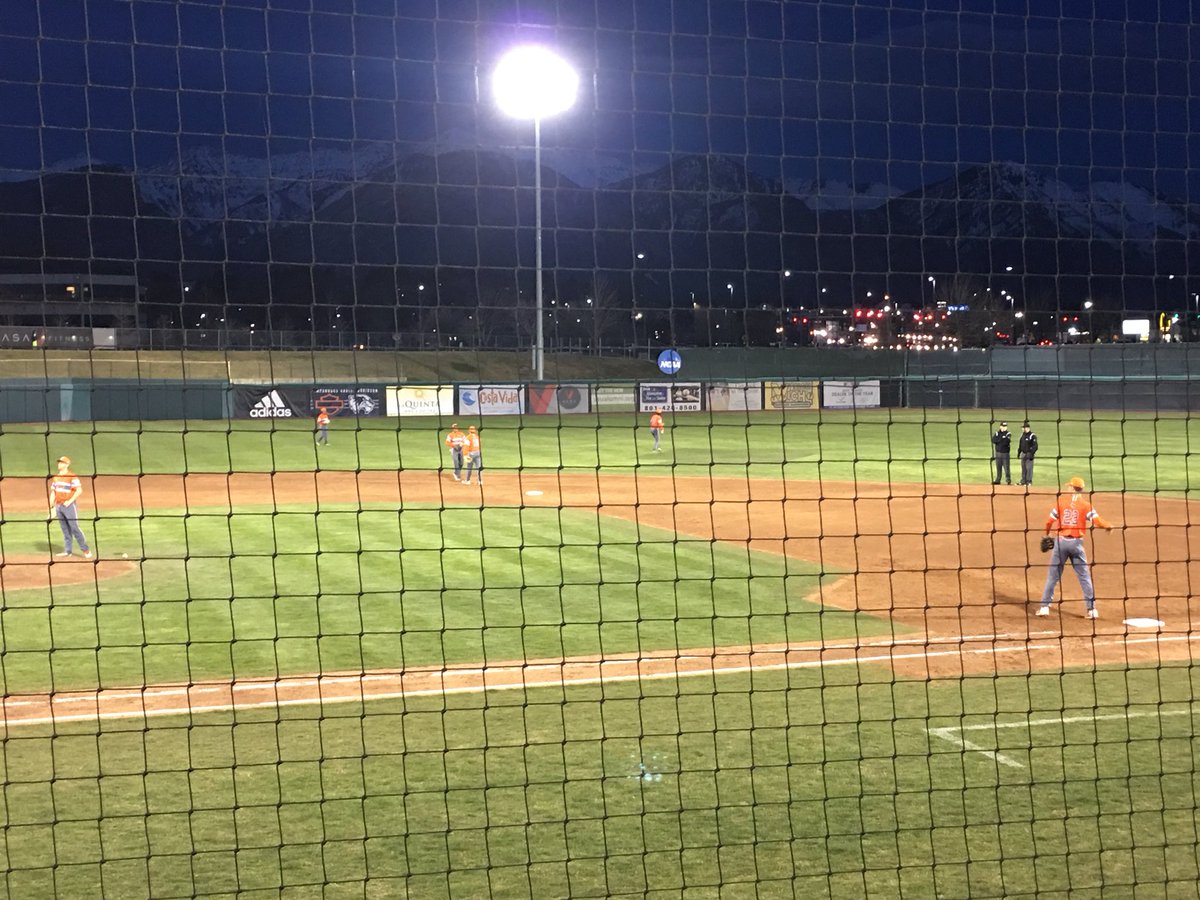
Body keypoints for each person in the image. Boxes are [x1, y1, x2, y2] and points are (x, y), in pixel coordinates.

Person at [1036, 476, 1114, 619]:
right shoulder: (1086, 505)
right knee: (1084, 576)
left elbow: (1049, 521)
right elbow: (1097, 521)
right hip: (1077, 544)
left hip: (1061, 543)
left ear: (1072, 488)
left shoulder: (1061, 502)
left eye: (1069, 486)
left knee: (1053, 576)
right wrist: (1108, 525)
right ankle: (1091, 610)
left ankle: (1044, 607)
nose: (1068, 488)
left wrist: (1046, 535)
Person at [48, 456, 92, 559]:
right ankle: (68, 551)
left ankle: (86, 550)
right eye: (59, 462)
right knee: (65, 530)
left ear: (67, 464)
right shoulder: (56, 477)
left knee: (74, 528)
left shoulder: (72, 476)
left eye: (62, 463)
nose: (59, 464)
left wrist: (70, 501)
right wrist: (52, 507)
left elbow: (79, 490)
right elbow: (53, 492)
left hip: (69, 506)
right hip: (59, 506)